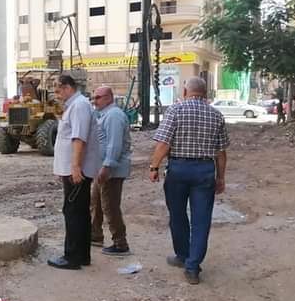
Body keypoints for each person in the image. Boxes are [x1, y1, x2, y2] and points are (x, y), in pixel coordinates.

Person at [148, 77, 229, 285]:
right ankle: (192, 267)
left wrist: (154, 167)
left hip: (179, 169)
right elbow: (221, 152)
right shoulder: (216, 114)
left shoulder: (175, 110)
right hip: (205, 170)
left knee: (177, 215)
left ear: (185, 92)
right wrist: (221, 177)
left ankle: (183, 255)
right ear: (205, 93)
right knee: (201, 220)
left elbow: (164, 143)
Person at [48, 74, 100, 270]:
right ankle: (82, 255)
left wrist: (75, 167)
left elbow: (79, 139)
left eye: (58, 90)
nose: (56, 95)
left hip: (77, 170)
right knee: (79, 211)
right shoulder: (75, 105)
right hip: (73, 169)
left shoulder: (79, 106)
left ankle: (72, 257)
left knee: (73, 212)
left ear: (67, 87)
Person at [90, 86, 132, 255]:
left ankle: (120, 243)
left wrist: (107, 167)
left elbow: (114, 144)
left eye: (98, 97)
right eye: (94, 97)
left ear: (108, 98)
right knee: (96, 202)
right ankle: (95, 235)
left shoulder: (114, 116)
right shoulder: (104, 115)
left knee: (110, 205)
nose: (94, 101)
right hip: (102, 168)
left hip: (111, 171)